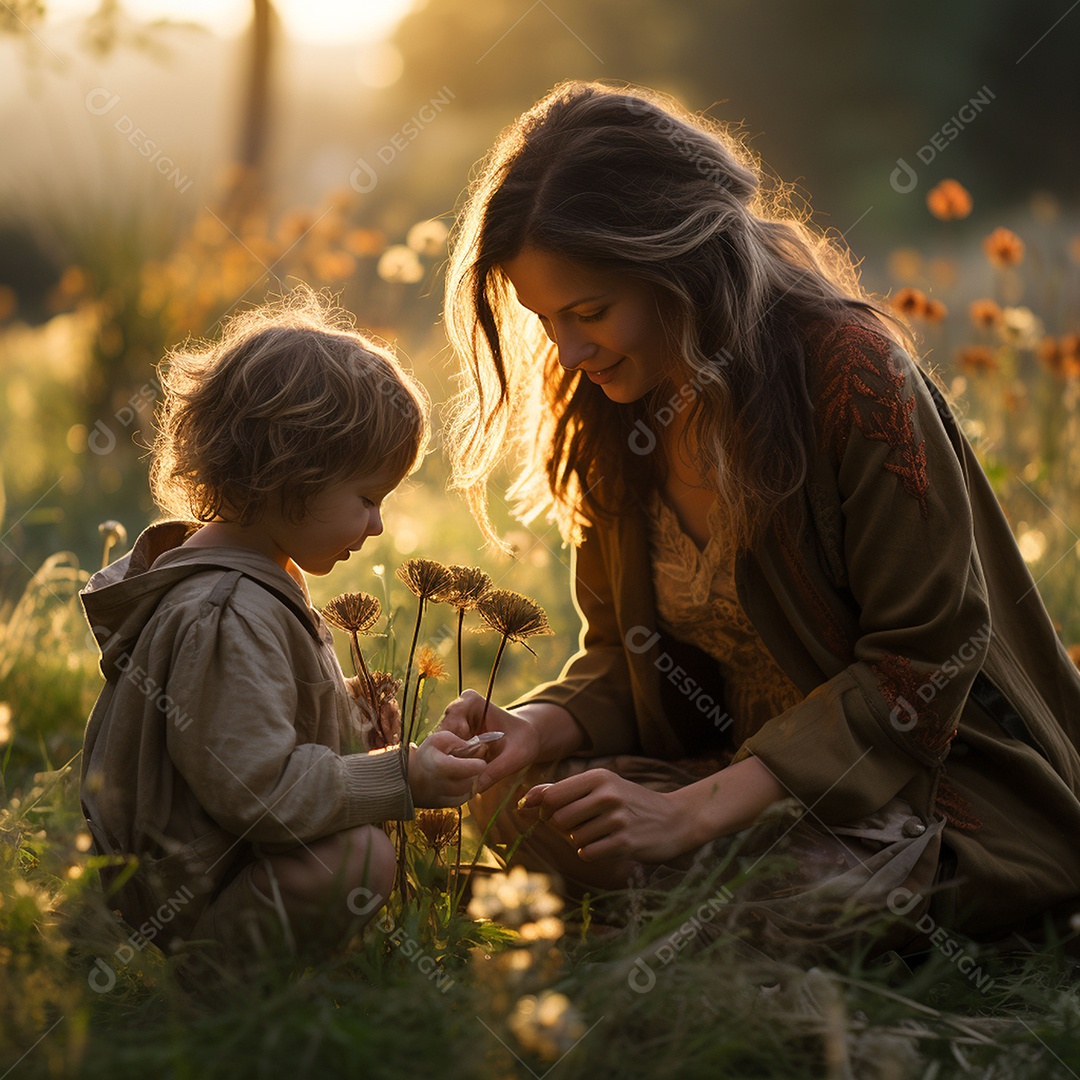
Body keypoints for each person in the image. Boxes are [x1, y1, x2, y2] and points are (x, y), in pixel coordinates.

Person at [438, 80, 1080, 957]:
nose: (572, 352)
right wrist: (534, 729)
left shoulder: (854, 377)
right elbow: (631, 664)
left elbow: (920, 670)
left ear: (682, 266)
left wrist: (687, 814)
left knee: (757, 890)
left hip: (917, 797)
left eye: (590, 313)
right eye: (548, 324)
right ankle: (681, 892)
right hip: (727, 780)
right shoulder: (610, 401)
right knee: (517, 800)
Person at [79, 291, 486, 980]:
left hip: (216, 866)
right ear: (289, 478)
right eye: (367, 499)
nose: (378, 526)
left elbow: (234, 724)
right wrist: (405, 775)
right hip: (191, 901)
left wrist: (345, 704)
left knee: (360, 852)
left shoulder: (244, 579)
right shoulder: (228, 611)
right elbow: (257, 791)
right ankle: (216, 983)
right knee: (359, 861)